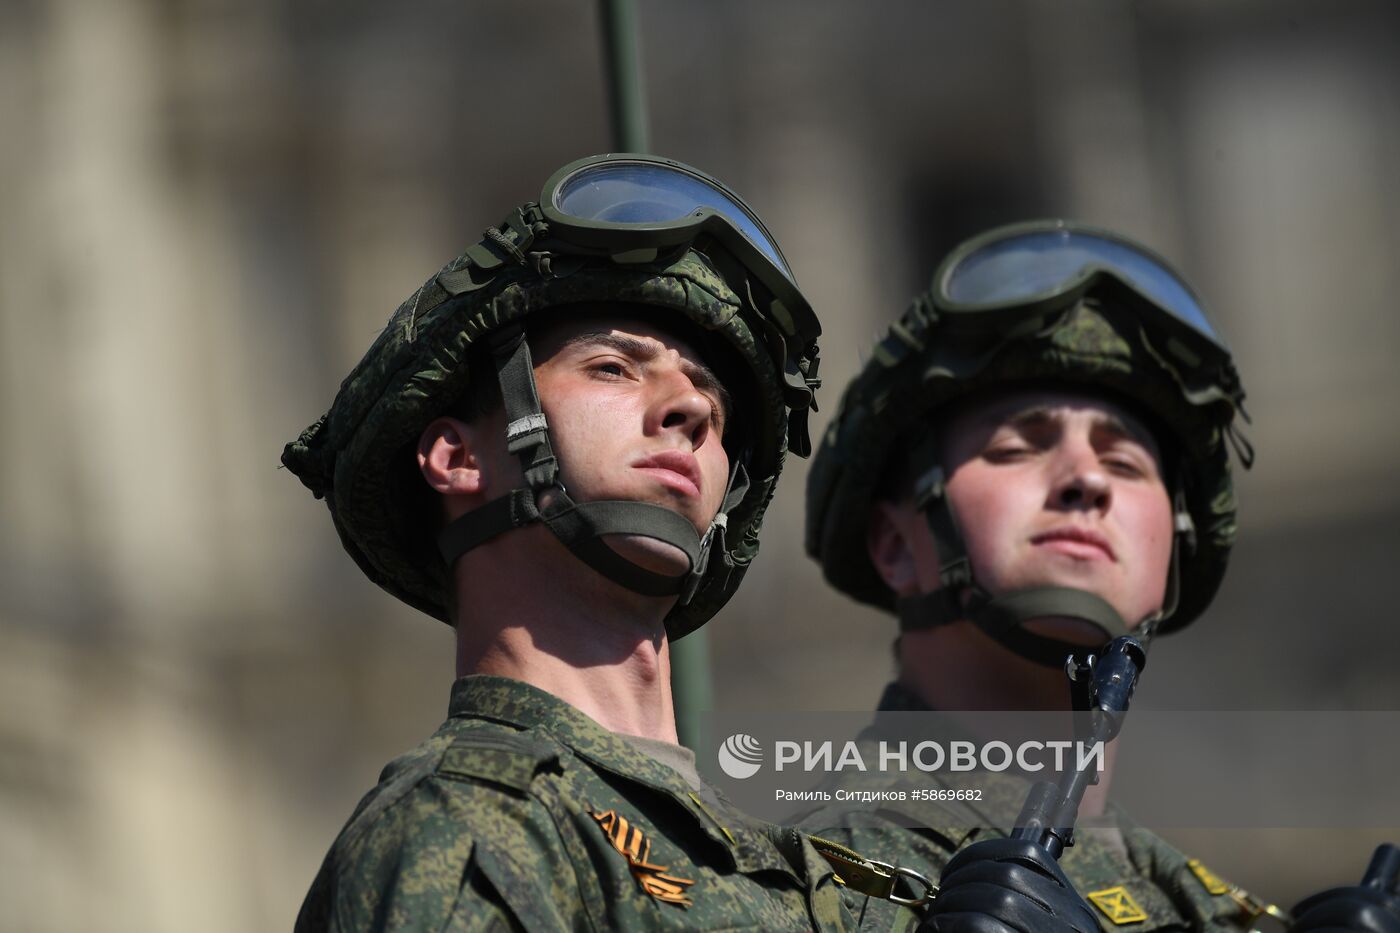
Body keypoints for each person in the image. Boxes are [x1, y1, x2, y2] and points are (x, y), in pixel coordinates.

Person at [281, 153, 853, 931]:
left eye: (711, 397)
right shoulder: (463, 830)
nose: (690, 406)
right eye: (615, 367)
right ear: (458, 457)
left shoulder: (812, 878)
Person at [801, 221, 1397, 932]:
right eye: (1018, 446)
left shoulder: (1209, 908)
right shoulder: (812, 881)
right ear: (895, 543)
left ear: (1172, 552)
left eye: (1125, 464)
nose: (1086, 479)